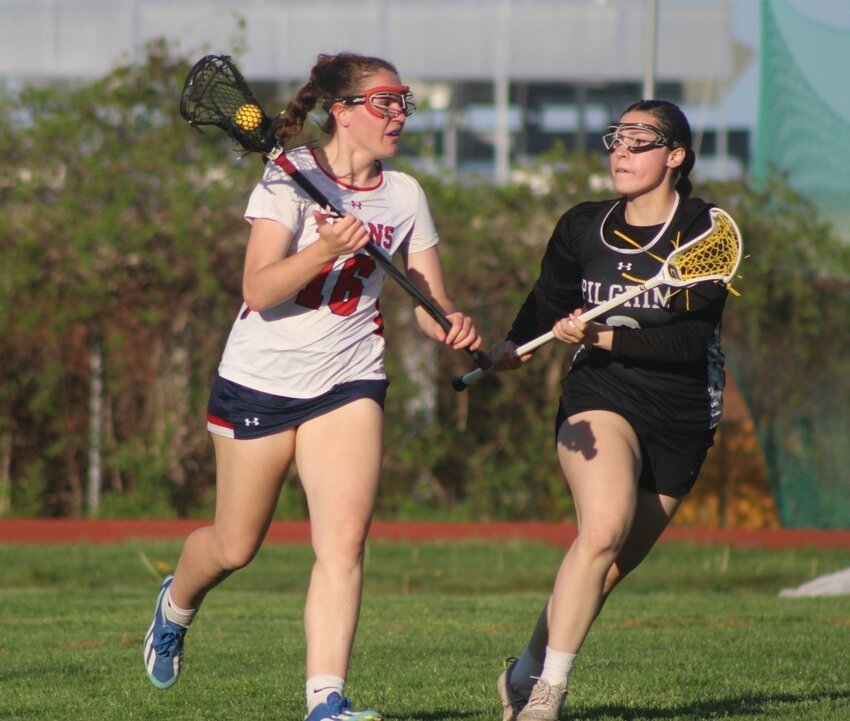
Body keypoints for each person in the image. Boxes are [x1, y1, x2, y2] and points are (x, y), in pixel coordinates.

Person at [142, 52, 481, 721]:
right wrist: (325, 249)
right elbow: (258, 289)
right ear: (344, 110)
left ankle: (325, 701)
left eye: (404, 101)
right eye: (385, 102)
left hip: (349, 377)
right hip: (260, 382)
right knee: (235, 545)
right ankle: (176, 602)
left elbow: (427, 297)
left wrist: (450, 321)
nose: (399, 116)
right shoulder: (286, 178)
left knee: (344, 541)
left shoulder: (405, 194)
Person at [490, 100, 735, 721]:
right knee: (600, 531)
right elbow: (547, 302)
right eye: (615, 138)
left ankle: (522, 671)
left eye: (639, 140)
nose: (620, 151)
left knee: (607, 567)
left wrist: (595, 333)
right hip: (601, 393)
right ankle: (547, 698)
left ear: (675, 155)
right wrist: (514, 346)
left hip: (684, 407)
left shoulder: (707, 229)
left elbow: (685, 342)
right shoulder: (581, 225)